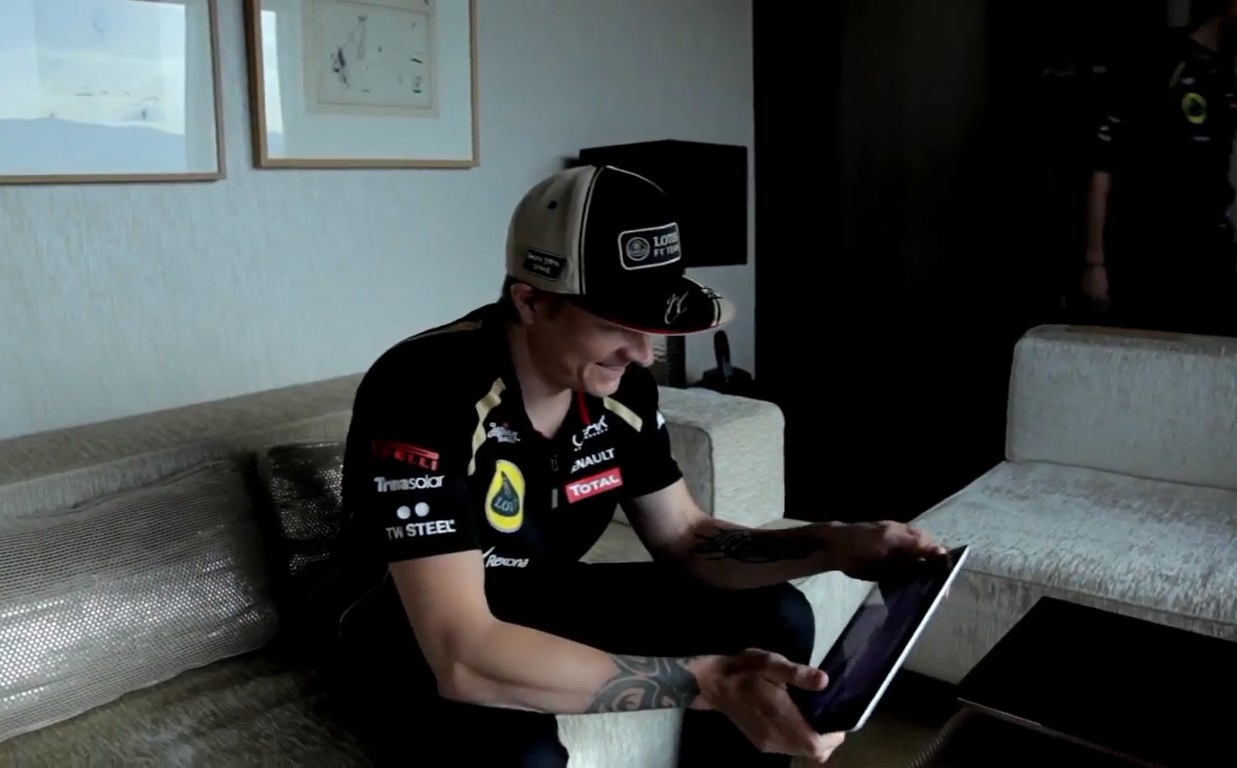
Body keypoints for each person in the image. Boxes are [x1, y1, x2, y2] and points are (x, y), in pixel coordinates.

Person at [329, 165, 946, 767]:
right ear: (531, 301)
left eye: (652, 326)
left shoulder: (619, 390)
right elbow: (462, 655)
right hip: (408, 625)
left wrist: (833, 544)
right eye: (616, 326)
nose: (644, 354)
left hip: (536, 590)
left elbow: (685, 537)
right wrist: (702, 683)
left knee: (775, 613)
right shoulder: (424, 386)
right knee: (523, 754)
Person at [1082, 0, 1237, 336]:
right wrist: (1095, 262)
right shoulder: (1157, 61)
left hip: (1210, 262)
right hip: (1150, 262)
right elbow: (1103, 163)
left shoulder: (1224, 73)